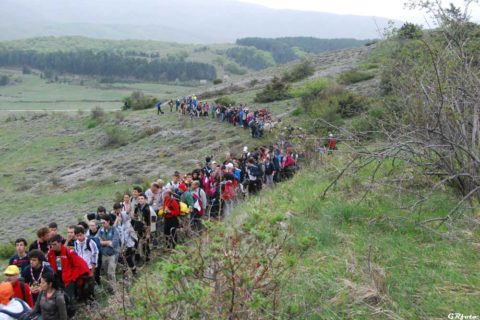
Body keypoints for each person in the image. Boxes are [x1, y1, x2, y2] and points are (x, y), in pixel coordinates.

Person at [47, 234, 90, 300]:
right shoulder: (50, 253)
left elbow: (79, 265)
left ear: (60, 243)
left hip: (68, 279)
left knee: (69, 298)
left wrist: (72, 277)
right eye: (51, 245)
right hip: (58, 278)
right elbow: (51, 264)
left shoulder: (69, 252)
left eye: (54, 244)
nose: (52, 246)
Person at [98, 216, 120, 282]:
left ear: (108, 222)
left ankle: (115, 289)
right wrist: (108, 242)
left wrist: (102, 242)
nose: (102, 224)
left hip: (113, 255)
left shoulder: (114, 230)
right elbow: (97, 242)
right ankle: (110, 286)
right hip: (104, 255)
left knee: (111, 273)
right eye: (101, 223)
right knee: (106, 273)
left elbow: (114, 243)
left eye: (104, 223)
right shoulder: (100, 230)